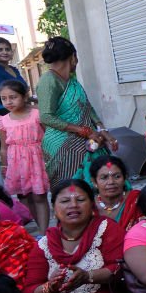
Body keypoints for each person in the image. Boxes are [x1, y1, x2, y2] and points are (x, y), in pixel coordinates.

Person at [36, 36, 118, 187]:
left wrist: (103, 130)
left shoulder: (71, 81)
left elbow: (87, 107)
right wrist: (84, 131)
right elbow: (46, 117)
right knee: (71, 189)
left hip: (86, 140)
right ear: (73, 57)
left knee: (96, 185)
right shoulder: (49, 81)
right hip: (62, 145)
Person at [0, 80, 50, 231]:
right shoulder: (3, 121)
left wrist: (51, 158)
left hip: (37, 159)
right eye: (4, 98)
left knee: (39, 196)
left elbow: (48, 136)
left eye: (13, 97)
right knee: (24, 197)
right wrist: (4, 165)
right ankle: (39, 228)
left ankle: (44, 232)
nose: (8, 102)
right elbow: (4, 147)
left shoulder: (37, 114)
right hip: (17, 164)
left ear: (24, 96)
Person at [89, 156, 142, 233]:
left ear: (125, 178)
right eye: (104, 178)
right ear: (94, 182)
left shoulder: (137, 200)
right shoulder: (89, 205)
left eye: (117, 176)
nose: (111, 182)